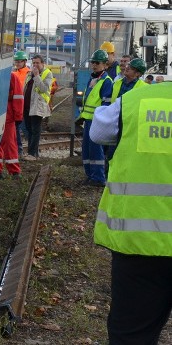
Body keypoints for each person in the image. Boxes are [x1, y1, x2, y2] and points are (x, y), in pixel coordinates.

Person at [90, 79, 172, 344]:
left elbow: (98, 133)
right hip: (139, 245)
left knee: (133, 335)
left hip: (140, 245)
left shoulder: (134, 101)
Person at [79, 49, 114, 187]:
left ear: (105, 65)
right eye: (93, 62)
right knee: (87, 149)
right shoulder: (93, 79)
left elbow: (106, 103)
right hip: (88, 120)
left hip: (97, 122)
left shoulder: (106, 81)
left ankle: (99, 178)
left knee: (95, 150)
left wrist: (101, 120)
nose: (94, 65)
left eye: (97, 63)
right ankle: (90, 175)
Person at [0, 71, 24, 179]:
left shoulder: (8, 76)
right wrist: (18, 116)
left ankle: (1, 171)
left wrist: (18, 116)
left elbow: (18, 97)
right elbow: (18, 97)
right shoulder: (12, 76)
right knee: (7, 144)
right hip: (6, 116)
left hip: (0, 116)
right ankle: (11, 171)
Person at [23, 54, 53, 160]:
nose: (35, 65)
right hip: (27, 106)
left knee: (35, 130)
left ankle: (32, 154)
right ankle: (33, 153)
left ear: (42, 63)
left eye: (37, 63)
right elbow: (25, 88)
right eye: (33, 63)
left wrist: (36, 76)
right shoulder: (29, 74)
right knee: (29, 129)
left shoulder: (47, 74)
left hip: (38, 106)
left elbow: (44, 89)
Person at [13, 51, 30, 155]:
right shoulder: (14, 73)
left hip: (24, 105)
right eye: (16, 61)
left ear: (25, 62)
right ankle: (19, 150)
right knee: (16, 128)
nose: (18, 63)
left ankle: (32, 150)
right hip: (16, 105)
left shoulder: (29, 73)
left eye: (20, 61)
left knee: (25, 128)